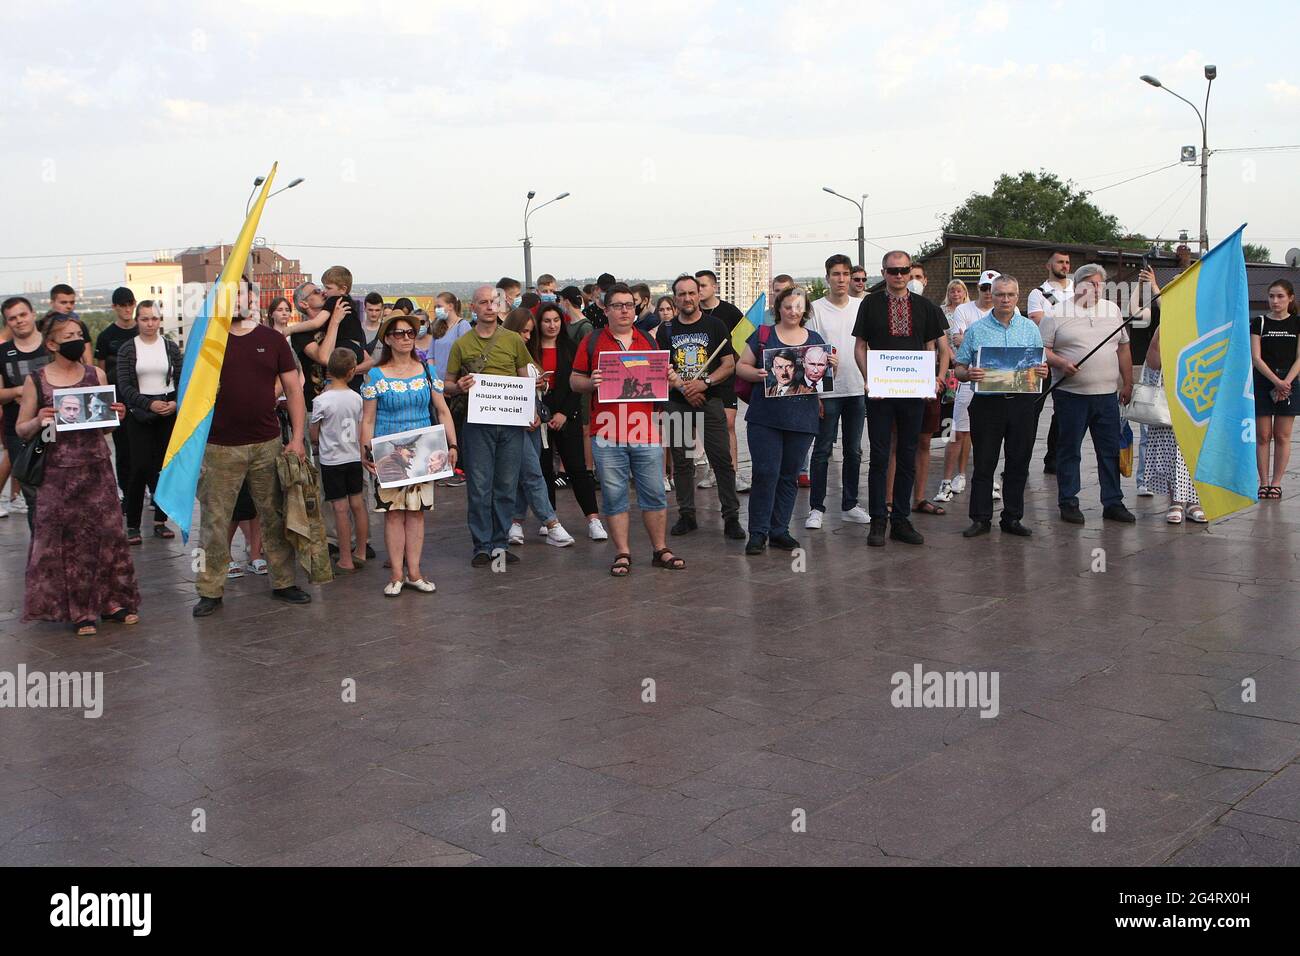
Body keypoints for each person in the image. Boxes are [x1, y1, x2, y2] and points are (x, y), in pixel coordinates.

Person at [192, 281, 312, 617]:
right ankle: (210, 590)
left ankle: (284, 581)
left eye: (242, 293)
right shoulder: (207, 340)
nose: (237, 300)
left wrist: (298, 437)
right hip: (219, 447)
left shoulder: (272, 339)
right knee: (214, 522)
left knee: (274, 516)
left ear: (253, 299)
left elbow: (294, 389)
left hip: (267, 443)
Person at [16, 313, 139, 636]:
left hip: (97, 469)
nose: (75, 339)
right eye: (67, 335)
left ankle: (113, 601)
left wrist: (118, 415)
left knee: (109, 535)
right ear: (52, 343)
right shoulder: (37, 380)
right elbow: (21, 429)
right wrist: (40, 420)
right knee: (68, 544)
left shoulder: (95, 374)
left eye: (78, 333)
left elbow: (107, 426)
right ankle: (80, 611)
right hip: (57, 475)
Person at [571, 283, 683, 576]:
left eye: (629, 305)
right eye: (618, 305)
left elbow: (660, 383)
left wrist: (669, 377)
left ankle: (660, 549)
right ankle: (623, 552)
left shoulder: (648, 339)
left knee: (655, 494)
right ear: (605, 310)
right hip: (606, 433)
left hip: (645, 431)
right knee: (614, 495)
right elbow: (574, 380)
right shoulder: (593, 341)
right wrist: (590, 382)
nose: (624, 310)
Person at [853, 250, 948, 547]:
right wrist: (868, 378)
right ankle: (878, 519)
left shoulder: (924, 306)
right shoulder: (870, 303)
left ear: (910, 272)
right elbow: (860, 346)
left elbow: (934, 347)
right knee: (880, 456)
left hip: (913, 391)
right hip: (881, 392)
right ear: (883, 272)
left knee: (908, 454)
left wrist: (936, 378)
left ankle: (902, 520)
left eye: (903, 270)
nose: (898, 275)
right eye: (892, 270)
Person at [361, 314, 458, 593]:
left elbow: (442, 410)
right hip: (387, 453)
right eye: (399, 333)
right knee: (393, 514)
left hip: (422, 452)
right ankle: (395, 575)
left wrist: (452, 444)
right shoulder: (376, 376)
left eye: (410, 333)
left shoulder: (427, 371)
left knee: (416, 513)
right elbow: (367, 419)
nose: (405, 338)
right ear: (388, 339)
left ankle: (414, 573)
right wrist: (366, 451)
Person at [736, 286, 833, 554]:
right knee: (765, 474)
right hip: (765, 418)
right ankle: (758, 532)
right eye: (788, 306)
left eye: (798, 306)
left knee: (789, 476)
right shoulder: (764, 335)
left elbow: (821, 379)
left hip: (802, 419)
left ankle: (780, 530)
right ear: (779, 308)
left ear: (805, 309)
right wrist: (754, 374)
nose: (793, 311)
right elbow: (740, 366)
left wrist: (830, 364)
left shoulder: (814, 338)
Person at [445, 285, 535, 565]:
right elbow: (447, 384)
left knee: (506, 485)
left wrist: (532, 407)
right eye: (482, 302)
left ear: (498, 306)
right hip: (478, 423)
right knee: (480, 486)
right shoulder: (462, 344)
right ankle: (482, 544)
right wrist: (458, 386)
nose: (488, 306)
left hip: (510, 422)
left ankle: (500, 542)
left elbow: (526, 378)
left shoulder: (513, 341)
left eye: (492, 302)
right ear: (472, 307)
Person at [953, 276, 1048, 537]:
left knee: (1019, 462)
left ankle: (1012, 518)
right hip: (987, 404)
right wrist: (967, 374)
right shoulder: (976, 330)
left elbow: (1039, 364)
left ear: (1017, 297)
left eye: (1010, 295)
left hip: (1022, 403)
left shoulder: (1029, 328)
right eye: (999, 295)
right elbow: (959, 367)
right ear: (991, 297)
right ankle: (981, 519)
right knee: (984, 462)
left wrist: (1042, 369)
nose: (1005, 299)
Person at [1041, 263, 1135, 525]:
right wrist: (1060, 363)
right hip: (1071, 395)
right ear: (1078, 284)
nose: (1097, 289)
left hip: (1106, 395)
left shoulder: (1112, 310)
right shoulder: (1056, 313)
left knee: (1109, 450)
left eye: (1100, 284)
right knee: (1069, 449)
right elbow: (1042, 350)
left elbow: (1124, 348)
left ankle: (1113, 502)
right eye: (1091, 283)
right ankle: (1069, 501)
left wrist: (1127, 382)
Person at [659, 274, 744, 540]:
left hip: (710, 399)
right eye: (681, 294)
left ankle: (731, 516)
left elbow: (728, 364)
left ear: (699, 295)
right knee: (682, 462)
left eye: (691, 293)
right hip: (677, 401)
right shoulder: (666, 330)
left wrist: (704, 384)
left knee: (721, 459)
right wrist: (685, 388)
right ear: (675, 298)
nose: (687, 298)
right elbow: (662, 368)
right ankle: (687, 514)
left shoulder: (715, 325)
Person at [501, 308, 575, 548]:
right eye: (523, 331)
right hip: (515, 420)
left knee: (527, 473)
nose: (526, 336)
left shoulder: (528, 353)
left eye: (529, 332)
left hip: (533, 420)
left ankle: (515, 522)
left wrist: (538, 386)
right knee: (532, 473)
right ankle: (551, 522)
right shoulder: (508, 354)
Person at [805, 254, 869, 529]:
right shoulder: (816, 309)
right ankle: (816, 507)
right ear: (827, 276)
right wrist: (815, 393)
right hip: (827, 390)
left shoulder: (862, 306)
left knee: (853, 450)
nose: (841, 279)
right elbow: (809, 349)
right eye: (836, 274)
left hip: (857, 387)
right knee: (821, 450)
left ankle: (850, 504)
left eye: (846, 274)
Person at [532, 301, 605, 539]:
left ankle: (593, 519)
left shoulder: (572, 347)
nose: (552, 325)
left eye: (556, 320)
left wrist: (564, 413)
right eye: (546, 321)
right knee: (543, 470)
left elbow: (577, 385)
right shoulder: (530, 350)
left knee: (577, 468)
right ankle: (549, 518)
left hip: (568, 416)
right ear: (538, 323)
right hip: (538, 418)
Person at [115, 300, 181, 544]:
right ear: (137, 319)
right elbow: (124, 385)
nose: (150, 323)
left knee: (164, 468)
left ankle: (160, 521)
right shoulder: (127, 349)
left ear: (159, 320)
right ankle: (132, 524)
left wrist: (175, 403)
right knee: (139, 468)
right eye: (144, 319)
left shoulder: (171, 347)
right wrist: (147, 404)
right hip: (139, 413)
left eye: (154, 318)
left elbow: (182, 379)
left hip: (167, 410)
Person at [935, 274, 998, 505]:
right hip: (968, 377)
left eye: (994, 288)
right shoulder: (964, 310)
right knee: (957, 431)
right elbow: (959, 340)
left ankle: (987, 479)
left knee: (991, 433)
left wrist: (972, 338)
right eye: (985, 287)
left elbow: (967, 339)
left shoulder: (1014, 314)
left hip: (997, 382)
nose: (989, 292)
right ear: (978, 288)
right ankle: (947, 480)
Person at [312, 348, 370, 572]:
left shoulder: (322, 401)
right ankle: (361, 551)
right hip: (353, 456)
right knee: (358, 504)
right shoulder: (357, 398)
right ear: (352, 372)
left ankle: (345, 557)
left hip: (332, 460)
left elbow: (315, 433)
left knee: (339, 508)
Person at [1142, 327, 1206, 524]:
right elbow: (1153, 362)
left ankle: (1194, 502)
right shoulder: (1167, 325)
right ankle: (1175, 501)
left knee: (1195, 449)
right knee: (1171, 450)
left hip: (1197, 395)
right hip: (1169, 398)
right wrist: (1161, 331)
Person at [0, 296, 52, 525]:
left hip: (57, 427)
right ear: (7, 323)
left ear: (32, 314)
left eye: (22, 315)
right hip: (20, 432)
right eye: (12, 318)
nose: (19, 321)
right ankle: (40, 553)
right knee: (33, 495)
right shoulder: (3, 353)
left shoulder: (52, 344)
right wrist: (21, 390)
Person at [1251, 279, 1300, 499]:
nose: (1275, 301)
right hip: (1264, 382)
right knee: (1263, 435)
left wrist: (1286, 381)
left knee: (1282, 435)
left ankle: (1276, 482)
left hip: (1289, 382)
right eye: (1271, 296)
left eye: (1280, 296)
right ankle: (1263, 482)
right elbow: (1256, 358)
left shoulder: (1297, 323)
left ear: (1290, 298)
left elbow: (1299, 358)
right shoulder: (1259, 322)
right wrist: (1275, 381)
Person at [1027, 249, 1075, 474]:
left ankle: (1053, 458)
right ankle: (1022, 459)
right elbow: (1038, 323)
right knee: (1033, 410)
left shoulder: (1077, 290)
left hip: (1071, 356)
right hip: (1043, 358)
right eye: (1060, 262)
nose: (1064, 266)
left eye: (1067, 262)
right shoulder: (1038, 294)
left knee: (1063, 411)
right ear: (1048, 265)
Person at [94, 286, 139, 507]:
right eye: (122, 305)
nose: (127, 309)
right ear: (114, 307)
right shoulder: (105, 337)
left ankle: (150, 492)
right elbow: (100, 372)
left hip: (142, 401)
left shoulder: (143, 330)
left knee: (147, 450)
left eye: (130, 304)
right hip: (117, 401)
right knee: (123, 451)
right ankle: (127, 493)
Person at [935, 279, 972, 503]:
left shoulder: (971, 310)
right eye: (952, 290)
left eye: (959, 290)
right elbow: (944, 339)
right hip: (951, 363)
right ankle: (948, 479)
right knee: (955, 421)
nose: (955, 293)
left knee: (969, 427)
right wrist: (951, 356)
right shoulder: (942, 311)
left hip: (969, 367)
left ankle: (964, 473)